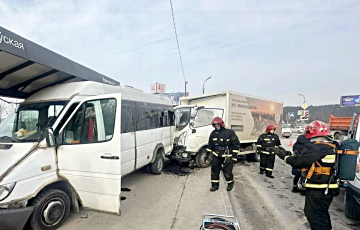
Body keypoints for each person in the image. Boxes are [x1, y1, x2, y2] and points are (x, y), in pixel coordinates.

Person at [275, 121, 339, 230]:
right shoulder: (331, 145)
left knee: (314, 215)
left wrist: (283, 156)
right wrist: (288, 153)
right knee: (322, 214)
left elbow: (300, 161)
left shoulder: (319, 147)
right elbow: (306, 157)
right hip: (328, 187)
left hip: (319, 188)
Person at [206, 117, 240, 192]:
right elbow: (210, 145)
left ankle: (230, 183)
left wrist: (234, 156)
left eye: (217, 125)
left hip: (227, 157)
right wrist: (207, 155)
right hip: (216, 156)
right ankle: (215, 186)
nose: (216, 127)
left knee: (227, 172)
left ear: (221, 124)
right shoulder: (213, 133)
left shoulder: (229, 132)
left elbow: (236, 144)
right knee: (214, 171)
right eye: (214, 126)